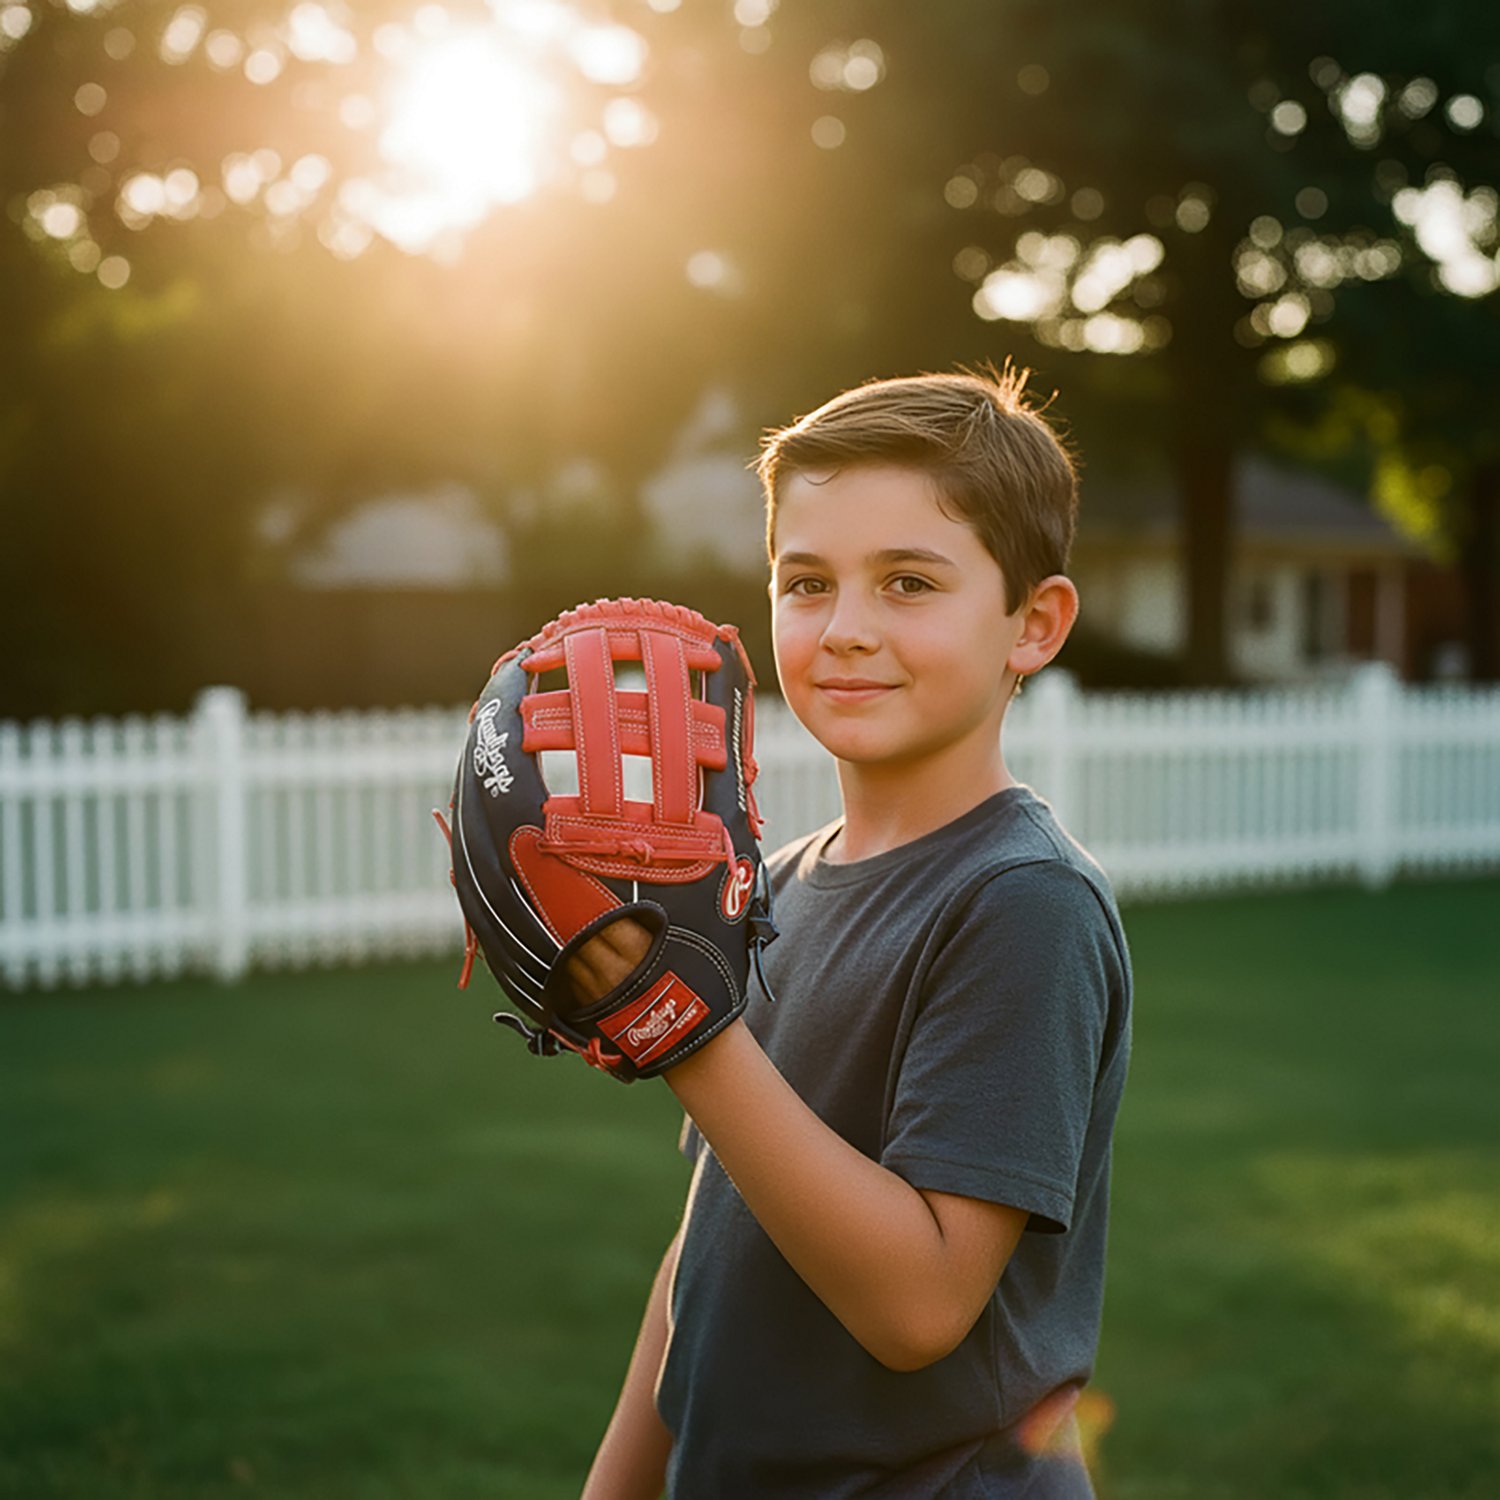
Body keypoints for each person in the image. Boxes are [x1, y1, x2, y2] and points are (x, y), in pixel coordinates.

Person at [579, 366, 1134, 1498]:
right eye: (807, 582)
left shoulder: (1021, 902)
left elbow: (919, 1306)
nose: (844, 629)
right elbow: (708, 1253)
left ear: (1034, 624)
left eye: (909, 583)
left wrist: (680, 1027)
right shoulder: (763, 890)